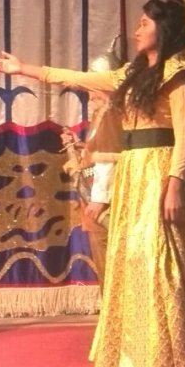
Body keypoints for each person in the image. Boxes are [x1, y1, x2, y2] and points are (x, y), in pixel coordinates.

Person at [0, 0, 185, 367]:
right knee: (131, 262)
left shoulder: (179, 74)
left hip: (159, 170)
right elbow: (76, 78)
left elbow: (184, 136)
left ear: (163, 29)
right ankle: (141, 365)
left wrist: (175, 184)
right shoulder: (131, 75)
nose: (137, 30)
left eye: (144, 23)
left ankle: (178, 366)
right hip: (133, 172)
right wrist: (23, 69)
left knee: (161, 263)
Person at [60, 86, 121, 293]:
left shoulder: (112, 118)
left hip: (109, 205)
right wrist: (78, 146)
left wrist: (99, 198)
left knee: (117, 267)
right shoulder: (98, 121)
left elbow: (108, 159)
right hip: (94, 207)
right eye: (89, 94)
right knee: (105, 269)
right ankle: (111, 309)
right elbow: (95, 154)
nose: (91, 98)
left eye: (96, 93)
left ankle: (119, 309)